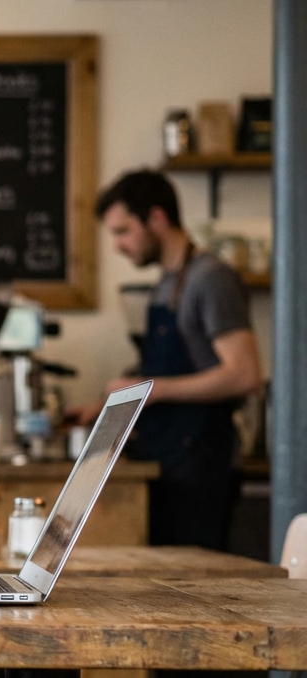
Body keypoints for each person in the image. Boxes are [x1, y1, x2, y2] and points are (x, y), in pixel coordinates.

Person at [68, 170, 261, 550]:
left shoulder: (211, 279)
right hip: (168, 460)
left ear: (156, 218)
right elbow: (159, 370)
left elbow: (244, 374)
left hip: (201, 464)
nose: (117, 245)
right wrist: (104, 404)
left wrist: (150, 389)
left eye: (123, 231)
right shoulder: (167, 283)